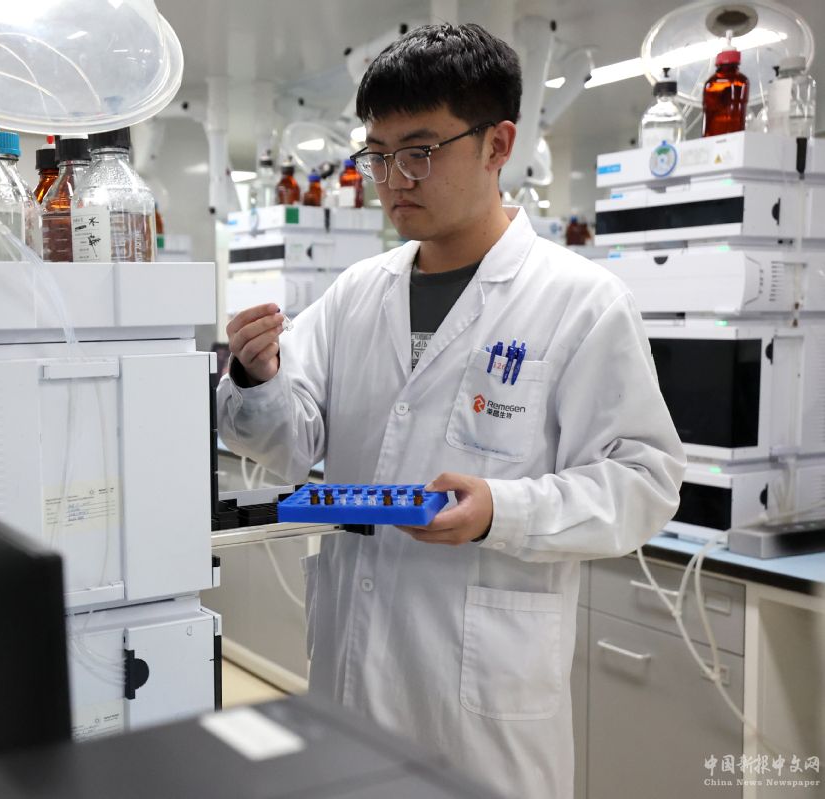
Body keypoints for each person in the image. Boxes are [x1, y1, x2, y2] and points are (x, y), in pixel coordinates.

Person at [217, 23, 685, 799]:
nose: (393, 178)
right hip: (349, 674)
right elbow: (287, 442)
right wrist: (255, 373)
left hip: (482, 704)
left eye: (421, 150)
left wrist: (504, 509)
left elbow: (644, 480)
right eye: (377, 154)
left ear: (498, 144)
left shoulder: (580, 301)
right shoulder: (357, 294)